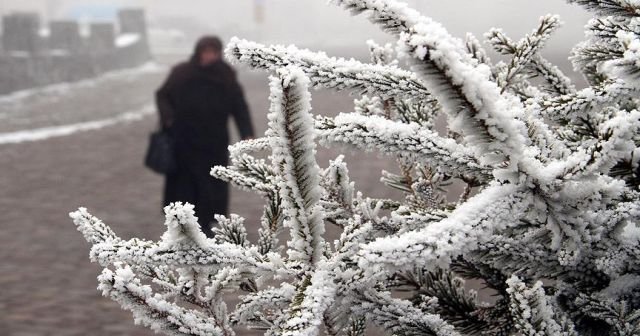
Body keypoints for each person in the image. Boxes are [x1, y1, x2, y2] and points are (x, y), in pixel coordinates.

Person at [155, 36, 255, 237]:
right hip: (184, 139)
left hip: (214, 140)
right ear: (198, 52)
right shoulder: (182, 73)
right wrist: (168, 119)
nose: (209, 56)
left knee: (213, 182)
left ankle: (210, 222)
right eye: (206, 51)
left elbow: (238, 105)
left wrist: (246, 132)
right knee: (185, 183)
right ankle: (183, 222)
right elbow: (163, 95)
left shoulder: (226, 75)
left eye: (214, 52)